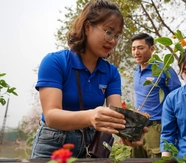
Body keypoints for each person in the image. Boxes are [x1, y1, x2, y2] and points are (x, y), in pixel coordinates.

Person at [30, 0, 146, 159]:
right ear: (87, 27)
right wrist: (91, 117)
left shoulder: (111, 72)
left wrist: (131, 129)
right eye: (108, 31)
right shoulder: (55, 62)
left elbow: (116, 115)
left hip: (91, 146)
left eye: (117, 35)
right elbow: (51, 116)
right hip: (53, 145)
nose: (113, 40)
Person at [129, 33, 181, 158]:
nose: (136, 52)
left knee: (157, 159)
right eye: (133, 48)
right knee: (135, 160)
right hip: (139, 126)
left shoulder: (164, 69)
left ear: (152, 49)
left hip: (157, 127)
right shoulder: (136, 71)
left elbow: (178, 97)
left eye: (140, 48)